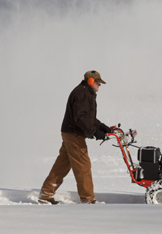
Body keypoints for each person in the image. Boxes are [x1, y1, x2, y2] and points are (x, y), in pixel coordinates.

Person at [38, 70, 110, 205]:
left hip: (70, 133)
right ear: (90, 81)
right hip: (74, 134)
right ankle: (88, 199)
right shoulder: (82, 94)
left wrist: (102, 127)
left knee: (62, 165)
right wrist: (94, 132)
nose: (99, 86)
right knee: (83, 165)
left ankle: (46, 193)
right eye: (98, 83)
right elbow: (80, 119)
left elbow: (88, 118)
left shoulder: (85, 93)